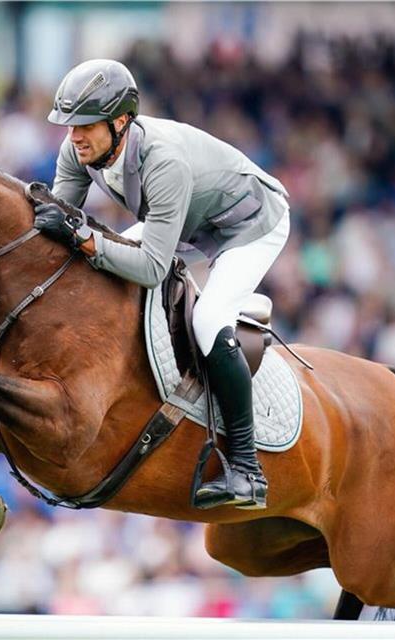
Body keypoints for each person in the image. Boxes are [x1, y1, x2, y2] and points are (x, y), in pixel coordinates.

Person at [35, 59, 290, 510]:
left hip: (250, 223)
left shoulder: (163, 161)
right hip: (188, 223)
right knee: (101, 258)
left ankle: (247, 470)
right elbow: (60, 223)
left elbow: (151, 267)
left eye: (85, 126)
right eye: (69, 125)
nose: (74, 136)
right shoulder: (78, 152)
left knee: (210, 319)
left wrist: (81, 238)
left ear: (120, 122)